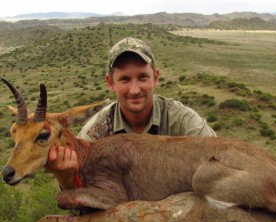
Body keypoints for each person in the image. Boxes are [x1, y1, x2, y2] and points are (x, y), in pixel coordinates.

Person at [47, 37, 216, 189]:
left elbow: (220, 164)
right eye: (125, 79)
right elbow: (81, 206)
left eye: (142, 77)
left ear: (155, 78)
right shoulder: (94, 133)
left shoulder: (183, 122)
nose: (135, 90)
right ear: (110, 83)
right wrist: (67, 180)